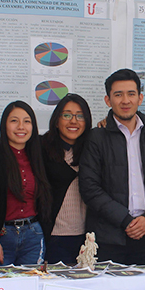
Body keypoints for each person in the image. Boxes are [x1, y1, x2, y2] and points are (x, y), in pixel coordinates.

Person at [79, 68, 145, 265]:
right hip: (109, 237)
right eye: (118, 95)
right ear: (108, 100)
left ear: (140, 98)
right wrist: (125, 220)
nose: (125, 100)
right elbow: (89, 188)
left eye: (131, 94)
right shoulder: (96, 137)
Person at [0, 101, 51, 266]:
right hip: (3, 236)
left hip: (33, 234)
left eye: (27, 121)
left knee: (31, 285)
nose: (21, 127)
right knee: (2, 287)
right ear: (5, 125)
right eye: (14, 121)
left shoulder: (39, 153)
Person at [42, 94, 91, 264]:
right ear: (56, 120)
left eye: (80, 116)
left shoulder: (92, 149)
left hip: (86, 239)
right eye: (67, 115)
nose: (73, 121)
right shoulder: (41, 148)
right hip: (53, 236)